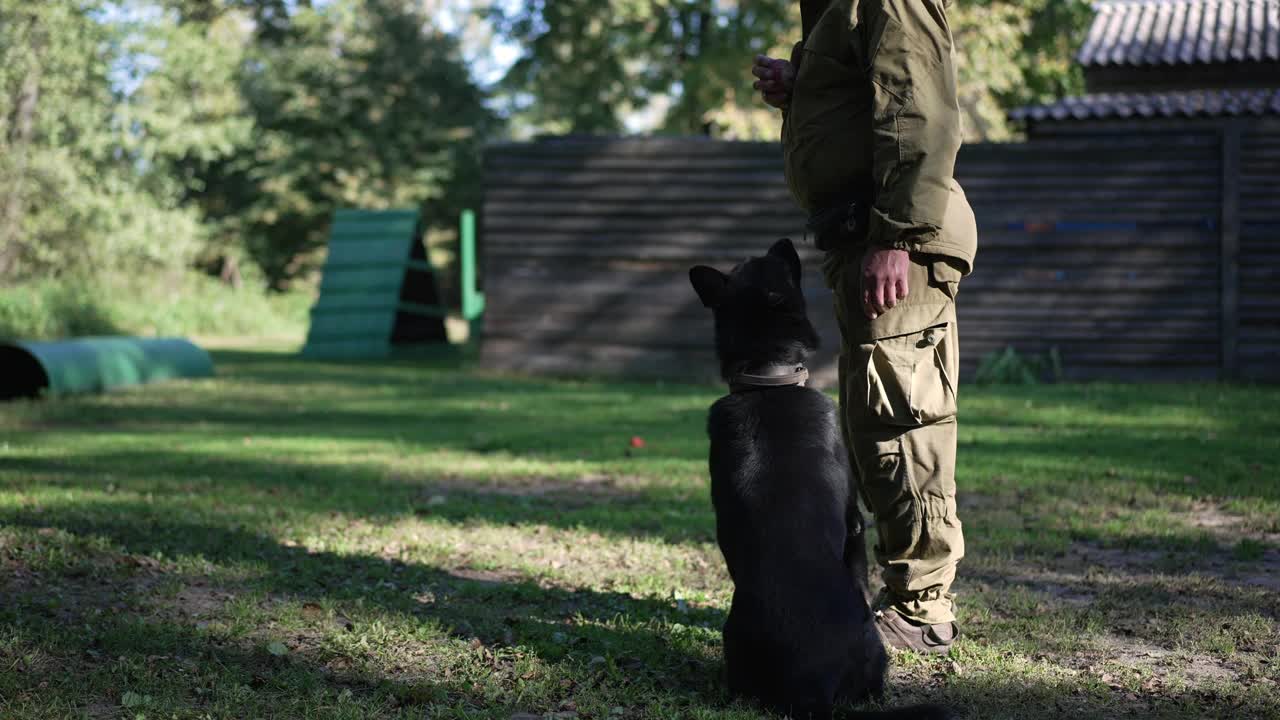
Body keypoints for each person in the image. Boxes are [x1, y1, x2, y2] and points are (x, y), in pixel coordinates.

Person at [751, 0, 977, 655]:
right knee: (869, 424)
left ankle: (922, 611)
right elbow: (867, 99)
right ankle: (892, 594)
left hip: (892, 242)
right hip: (860, 239)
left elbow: (920, 107)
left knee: (903, 424)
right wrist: (802, 94)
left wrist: (898, 238)